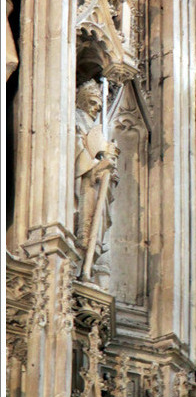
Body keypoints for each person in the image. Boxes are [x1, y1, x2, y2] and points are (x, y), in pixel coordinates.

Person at [75, 80, 118, 275]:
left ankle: (89, 260)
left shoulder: (94, 127)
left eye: (98, 106)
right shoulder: (76, 119)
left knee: (97, 222)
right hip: (83, 183)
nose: (96, 109)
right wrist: (96, 166)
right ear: (80, 101)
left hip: (96, 183)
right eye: (92, 103)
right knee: (84, 225)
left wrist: (108, 160)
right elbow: (76, 151)